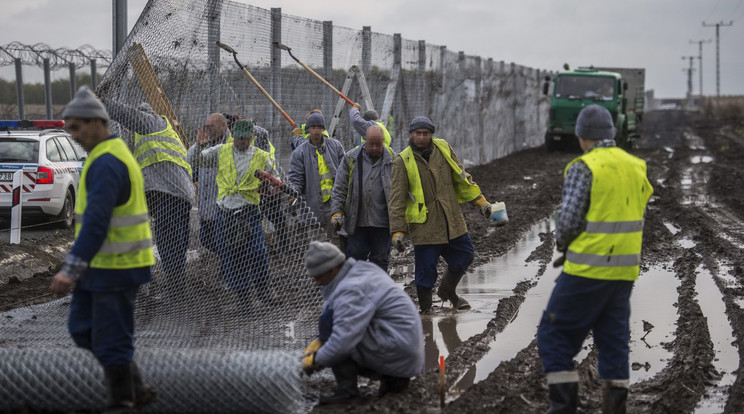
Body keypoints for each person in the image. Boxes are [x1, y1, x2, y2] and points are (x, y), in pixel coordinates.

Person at [536, 105, 653, 414]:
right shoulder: (636, 166)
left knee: (554, 334)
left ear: (581, 135)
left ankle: (562, 408)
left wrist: (562, 241)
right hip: (624, 272)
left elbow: (570, 221)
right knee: (613, 341)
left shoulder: (584, 166)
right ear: (612, 133)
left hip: (587, 270)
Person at [50, 86, 156, 411]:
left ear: (97, 122)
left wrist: (70, 269)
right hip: (102, 267)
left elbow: (96, 223)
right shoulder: (102, 156)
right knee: (82, 329)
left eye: (76, 127)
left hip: (118, 268)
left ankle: (122, 401)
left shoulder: (109, 162)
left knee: (112, 341)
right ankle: (136, 387)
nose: (73, 135)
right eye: (69, 129)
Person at [388, 116, 493, 313]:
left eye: (425, 133)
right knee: (425, 271)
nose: (421, 137)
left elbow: (461, 177)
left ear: (431, 134)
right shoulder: (403, 161)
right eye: (417, 133)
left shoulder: (443, 148)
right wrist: (398, 231)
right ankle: (426, 312)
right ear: (411, 135)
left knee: (465, 255)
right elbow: (396, 199)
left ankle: (447, 291)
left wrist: (481, 202)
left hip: (451, 218)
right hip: (425, 226)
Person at [301, 241, 424, 404]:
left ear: (333, 269)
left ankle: (346, 391)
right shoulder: (362, 270)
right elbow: (338, 309)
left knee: (328, 322)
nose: (316, 283)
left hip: (398, 356)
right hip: (404, 355)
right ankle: (392, 380)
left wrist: (314, 361)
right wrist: (319, 341)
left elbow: (341, 343)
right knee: (333, 322)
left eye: (318, 276)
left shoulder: (352, 289)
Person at [101, 98, 194, 300]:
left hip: (169, 192)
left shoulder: (154, 123)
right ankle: (177, 288)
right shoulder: (144, 141)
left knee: (168, 241)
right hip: (177, 193)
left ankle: (175, 289)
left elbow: (129, 116)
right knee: (175, 242)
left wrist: (103, 104)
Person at [190, 119, 276, 309]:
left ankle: (263, 290)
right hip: (226, 212)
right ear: (234, 136)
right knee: (231, 255)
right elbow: (195, 160)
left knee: (257, 251)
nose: (242, 143)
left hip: (249, 212)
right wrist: (198, 145)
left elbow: (274, 175)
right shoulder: (221, 151)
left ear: (252, 137)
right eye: (239, 139)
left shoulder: (261, 156)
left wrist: (275, 186)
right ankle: (243, 299)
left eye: (246, 139)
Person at [330, 124, 396, 271]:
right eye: (370, 144)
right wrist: (337, 212)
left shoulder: (392, 159)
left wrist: (400, 224)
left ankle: (377, 292)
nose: (374, 148)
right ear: (364, 140)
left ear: (383, 142)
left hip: (383, 223)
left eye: (377, 145)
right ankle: (356, 290)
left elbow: (400, 192)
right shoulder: (351, 158)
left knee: (380, 260)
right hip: (357, 221)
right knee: (354, 258)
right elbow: (340, 187)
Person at [288, 112, 345, 239]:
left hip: (335, 203)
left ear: (323, 129)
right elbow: (296, 178)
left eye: (319, 127)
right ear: (308, 129)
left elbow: (345, 172)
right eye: (313, 127)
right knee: (317, 244)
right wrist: (293, 193)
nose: (316, 131)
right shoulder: (299, 153)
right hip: (313, 205)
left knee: (337, 242)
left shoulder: (335, 147)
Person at [187, 113, 232, 253]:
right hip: (206, 210)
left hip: (223, 211)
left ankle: (227, 269)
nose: (208, 130)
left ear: (224, 126)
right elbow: (190, 170)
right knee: (207, 241)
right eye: (206, 126)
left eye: (211, 126)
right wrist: (198, 147)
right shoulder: (204, 146)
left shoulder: (232, 145)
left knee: (224, 244)